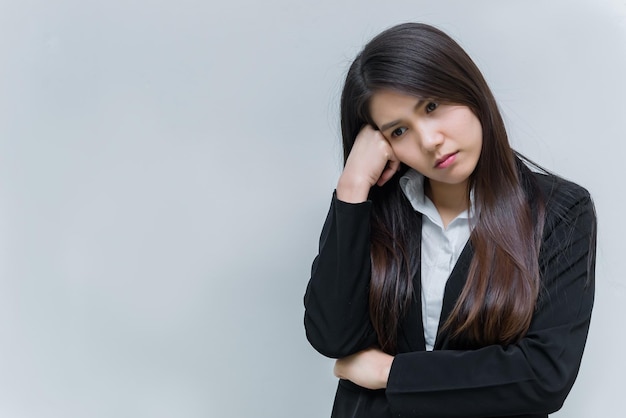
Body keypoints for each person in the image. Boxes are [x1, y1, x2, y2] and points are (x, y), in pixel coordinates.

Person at [303, 22, 596, 418]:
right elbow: (332, 336)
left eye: (431, 106)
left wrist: (392, 373)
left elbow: (543, 375)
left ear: (468, 88)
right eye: (400, 130)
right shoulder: (369, 208)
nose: (428, 140)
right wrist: (353, 186)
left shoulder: (559, 210)